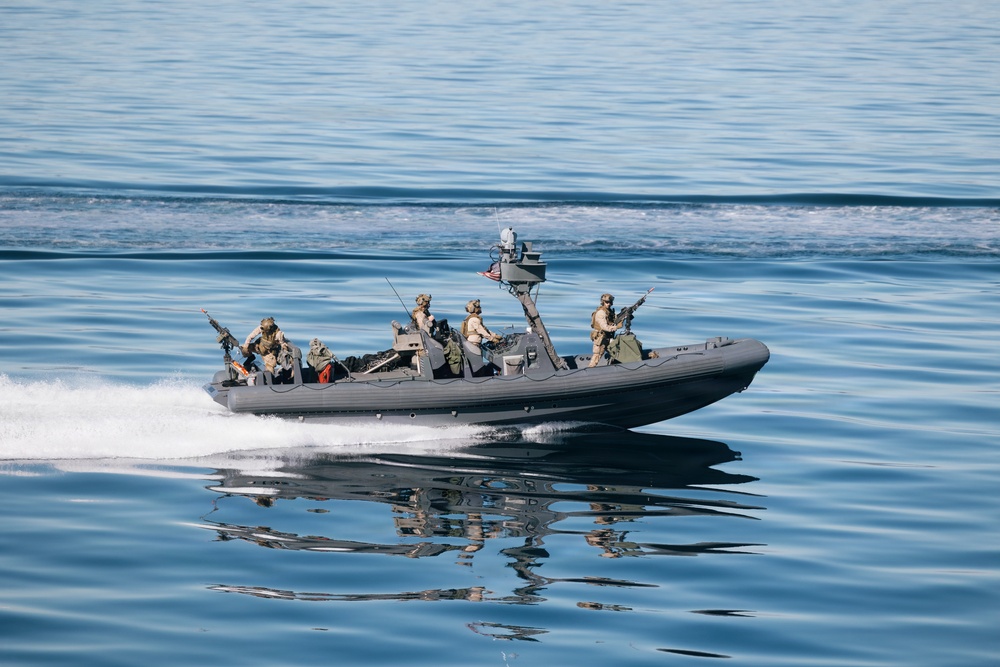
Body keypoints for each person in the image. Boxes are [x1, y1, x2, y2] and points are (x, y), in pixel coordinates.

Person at [588, 293, 621, 367]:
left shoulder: (609, 311)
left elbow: (614, 320)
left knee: (616, 350)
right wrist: (616, 327)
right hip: (601, 338)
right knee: (597, 356)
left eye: (610, 302)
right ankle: (590, 370)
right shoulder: (601, 313)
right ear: (603, 302)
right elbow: (604, 327)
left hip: (608, 337)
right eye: (606, 302)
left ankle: (614, 365)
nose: (608, 304)